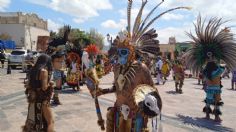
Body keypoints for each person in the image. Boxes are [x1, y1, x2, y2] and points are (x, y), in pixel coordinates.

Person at [184, 16, 236, 122]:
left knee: (209, 101)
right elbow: (223, 69)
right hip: (216, 88)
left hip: (210, 87)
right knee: (216, 101)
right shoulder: (218, 70)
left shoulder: (206, 70)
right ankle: (215, 116)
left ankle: (209, 115)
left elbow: (206, 73)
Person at [22, 54, 54, 132]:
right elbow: (44, 87)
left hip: (33, 99)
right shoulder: (44, 71)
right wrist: (51, 83)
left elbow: (28, 84)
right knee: (50, 121)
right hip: (42, 100)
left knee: (33, 118)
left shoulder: (32, 70)